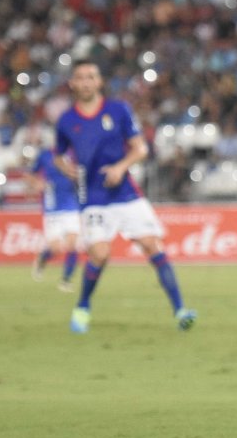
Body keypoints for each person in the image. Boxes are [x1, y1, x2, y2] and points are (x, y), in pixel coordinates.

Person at [54, 59, 196, 333]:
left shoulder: (118, 111)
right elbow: (58, 155)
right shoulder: (67, 121)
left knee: (153, 245)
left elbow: (140, 148)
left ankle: (181, 311)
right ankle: (83, 306)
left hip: (126, 194)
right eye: (80, 77)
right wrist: (65, 168)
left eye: (91, 76)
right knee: (100, 254)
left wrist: (121, 167)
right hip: (93, 196)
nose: (85, 82)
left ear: (99, 82)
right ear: (72, 83)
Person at [27, 146, 81, 291]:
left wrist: (75, 175)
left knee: (72, 244)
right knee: (56, 248)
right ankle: (42, 259)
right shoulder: (44, 155)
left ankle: (66, 281)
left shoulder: (72, 153)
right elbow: (30, 174)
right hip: (52, 207)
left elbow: (81, 172)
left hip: (71, 205)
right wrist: (36, 183)